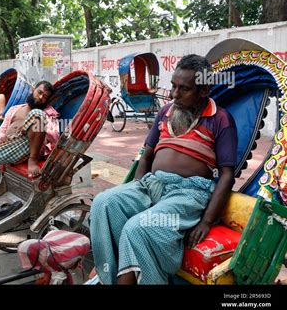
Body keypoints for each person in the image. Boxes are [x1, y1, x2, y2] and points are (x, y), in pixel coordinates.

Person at [90, 54, 237, 285]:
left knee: (138, 227)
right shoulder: (165, 112)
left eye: (184, 89)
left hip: (188, 194)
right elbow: (146, 157)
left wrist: (207, 220)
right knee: (103, 203)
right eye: (173, 86)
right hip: (152, 184)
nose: (174, 94)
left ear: (204, 91)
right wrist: (138, 186)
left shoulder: (220, 119)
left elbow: (227, 175)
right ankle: (108, 277)